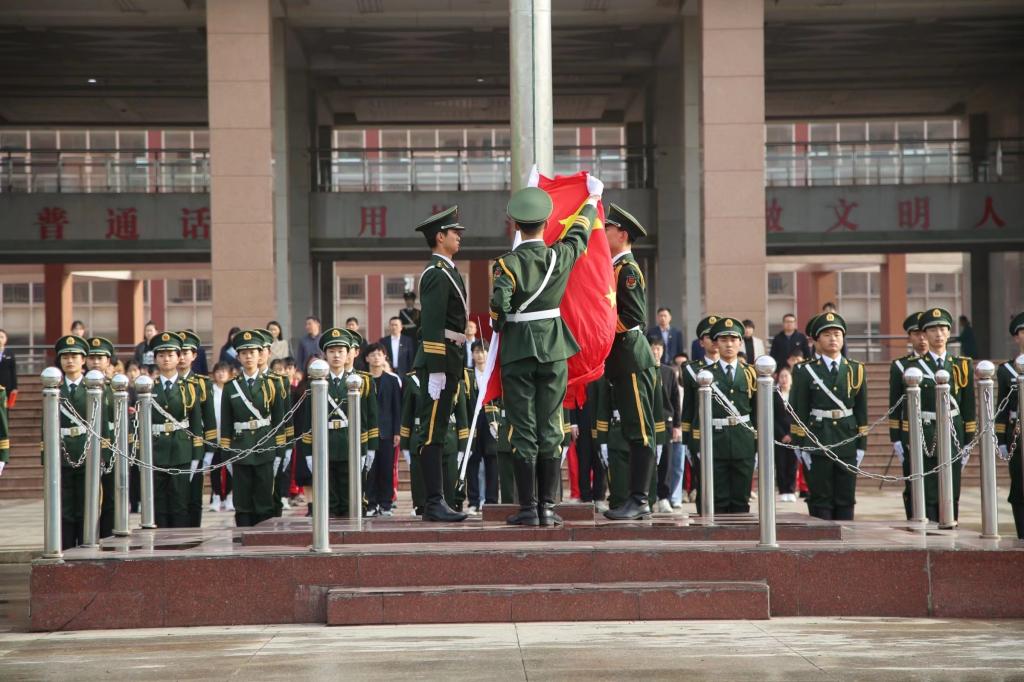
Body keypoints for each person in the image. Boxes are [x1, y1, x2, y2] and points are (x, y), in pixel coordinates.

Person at [491, 179, 601, 526]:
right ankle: (548, 508)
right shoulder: (559, 255)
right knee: (551, 424)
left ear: (516, 226)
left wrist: (499, 321)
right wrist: (592, 199)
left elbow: (498, 306)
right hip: (554, 348)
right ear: (546, 223)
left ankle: (528, 508)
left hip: (518, 351)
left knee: (523, 426)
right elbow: (579, 234)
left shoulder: (507, 264)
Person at [597, 201, 660, 522]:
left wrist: (601, 332)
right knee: (633, 430)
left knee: (640, 431)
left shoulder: (627, 270)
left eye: (608, 228)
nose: (603, 232)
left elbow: (634, 316)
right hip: (622, 359)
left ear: (622, 234)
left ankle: (640, 499)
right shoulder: (615, 267)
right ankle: (635, 498)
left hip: (632, 358)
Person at [412, 204, 471, 522]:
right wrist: (436, 370)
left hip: (449, 359)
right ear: (440, 236)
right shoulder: (436, 273)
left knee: (437, 428)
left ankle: (438, 499)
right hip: (440, 361)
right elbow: (432, 324)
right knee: (432, 430)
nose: (459, 236)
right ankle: (433, 501)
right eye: (454, 232)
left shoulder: (447, 270)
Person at [790, 313, 868, 521]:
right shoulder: (805, 370)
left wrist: (862, 444)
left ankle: (847, 537)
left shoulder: (856, 369)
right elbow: (799, 410)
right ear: (816, 341)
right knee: (820, 497)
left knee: (846, 496)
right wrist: (800, 444)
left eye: (837, 334)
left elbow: (861, 411)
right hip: (818, 438)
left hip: (847, 437)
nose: (833, 339)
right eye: (826, 335)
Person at [297, 328, 369, 518]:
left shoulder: (356, 381)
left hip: (348, 443)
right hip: (324, 444)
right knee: (328, 500)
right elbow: (308, 421)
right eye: (331, 351)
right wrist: (308, 453)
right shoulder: (316, 383)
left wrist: (364, 450)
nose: (336, 355)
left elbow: (363, 420)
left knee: (350, 498)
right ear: (325, 355)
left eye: (340, 351)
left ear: (348, 354)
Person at [913, 307, 975, 522]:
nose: (938, 334)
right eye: (932, 330)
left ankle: (951, 526)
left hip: (953, 429)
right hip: (926, 430)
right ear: (924, 334)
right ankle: (930, 528)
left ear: (949, 333)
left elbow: (968, 406)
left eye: (942, 329)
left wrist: (968, 441)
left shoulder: (961, 365)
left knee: (952, 486)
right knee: (929, 489)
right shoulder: (914, 367)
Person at [220, 329, 286, 526]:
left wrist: (280, 451)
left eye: (252, 352)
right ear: (238, 357)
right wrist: (226, 454)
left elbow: (279, 421)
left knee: (264, 500)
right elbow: (226, 423)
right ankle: (242, 536)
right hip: (240, 447)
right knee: (242, 502)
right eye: (244, 353)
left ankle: (263, 537)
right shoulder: (231, 387)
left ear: (260, 355)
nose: (248, 357)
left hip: (265, 446)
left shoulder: (272, 383)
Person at [698, 318, 758, 514]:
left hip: (744, 441)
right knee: (719, 498)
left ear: (740, 343)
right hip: (716, 441)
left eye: (733, 340)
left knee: (741, 498)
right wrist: (697, 445)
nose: (729, 344)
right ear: (716, 343)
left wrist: (759, 445)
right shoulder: (706, 374)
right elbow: (698, 414)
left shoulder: (751, 373)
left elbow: (757, 412)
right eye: (723, 340)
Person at [147, 332, 203, 528]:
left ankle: (180, 542)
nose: (166, 359)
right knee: (159, 504)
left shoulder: (189, 387)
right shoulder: (148, 388)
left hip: (181, 450)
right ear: (155, 359)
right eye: (161, 355)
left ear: (179, 357)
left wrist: (197, 455)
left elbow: (196, 424)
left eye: (171, 355)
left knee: (180, 503)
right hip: (156, 451)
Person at [49, 335, 91, 548]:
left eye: (74, 356)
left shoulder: (92, 387)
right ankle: (66, 547)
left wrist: (103, 455)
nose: (70, 361)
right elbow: (46, 425)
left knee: (86, 505)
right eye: (65, 357)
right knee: (65, 507)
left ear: (83, 360)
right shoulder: (53, 388)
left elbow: (101, 425)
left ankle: (86, 546)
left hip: (87, 452)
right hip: (62, 453)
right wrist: (46, 456)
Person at [680, 315, 721, 512]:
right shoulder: (691, 369)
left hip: (730, 434)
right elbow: (688, 407)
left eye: (718, 336)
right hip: (701, 433)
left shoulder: (740, 369)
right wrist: (686, 439)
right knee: (703, 482)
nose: (714, 340)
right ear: (701, 342)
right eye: (709, 337)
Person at [888, 312, 927, 519]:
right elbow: (895, 405)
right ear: (909, 337)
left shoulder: (948, 364)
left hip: (941, 431)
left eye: (925, 332)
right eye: (916, 333)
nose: (922, 338)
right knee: (912, 484)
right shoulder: (901, 366)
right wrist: (896, 438)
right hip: (910, 433)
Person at [177, 330, 217, 527]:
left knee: (193, 497)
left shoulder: (202, 383)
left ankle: (193, 534)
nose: (181, 357)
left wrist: (209, 450)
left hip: (196, 446)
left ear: (194, 356)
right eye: (179, 352)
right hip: (172, 446)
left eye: (186, 353)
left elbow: (209, 419)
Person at [364, 343, 402, 517]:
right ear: (367, 358)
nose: (376, 357)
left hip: (387, 432)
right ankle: (371, 504)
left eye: (379, 354)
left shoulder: (392, 380)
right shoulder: (362, 379)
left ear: (385, 357)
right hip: (367, 432)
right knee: (369, 470)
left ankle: (386, 504)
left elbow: (397, 407)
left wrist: (397, 432)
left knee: (386, 469)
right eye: (372, 354)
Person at [85, 337, 116, 538]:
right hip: (85, 448)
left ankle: (108, 536)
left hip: (113, 449)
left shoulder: (115, 388)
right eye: (92, 357)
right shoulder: (81, 387)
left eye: (100, 358)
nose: (96, 362)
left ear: (108, 361)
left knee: (111, 497)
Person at [996, 311, 1024, 538]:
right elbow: (1002, 408)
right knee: (1019, 484)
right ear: (1016, 337)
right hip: (1017, 434)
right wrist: (1001, 439)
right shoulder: (1006, 370)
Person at [464, 341, 499, 512]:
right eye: (476, 351)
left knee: (492, 461)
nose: (480, 355)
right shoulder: (467, 375)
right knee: (472, 461)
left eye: (483, 351)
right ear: (472, 354)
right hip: (472, 421)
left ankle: (492, 500)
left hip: (491, 421)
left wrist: (497, 420)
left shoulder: (493, 373)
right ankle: (473, 501)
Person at [649, 337, 681, 513]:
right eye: (653, 348)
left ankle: (663, 497)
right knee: (648, 460)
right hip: (648, 422)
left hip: (666, 423)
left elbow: (675, 399)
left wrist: (677, 425)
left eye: (659, 349)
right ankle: (648, 496)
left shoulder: (669, 372)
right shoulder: (642, 370)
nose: (656, 352)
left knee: (666, 462)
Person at [571, 379, 607, 511]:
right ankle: (585, 497)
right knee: (584, 462)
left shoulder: (601, 374)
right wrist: (573, 423)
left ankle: (599, 497)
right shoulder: (580, 375)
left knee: (600, 462)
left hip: (599, 424)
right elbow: (571, 397)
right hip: (583, 424)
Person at [209, 361, 234, 512]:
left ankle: (230, 497)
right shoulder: (210, 390)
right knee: (214, 468)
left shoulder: (232, 389)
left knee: (230, 468)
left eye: (224, 371)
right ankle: (217, 497)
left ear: (229, 374)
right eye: (218, 371)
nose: (221, 374)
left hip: (229, 436)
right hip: (214, 436)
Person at [773, 366, 796, 501]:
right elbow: (773, 417)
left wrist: (791, 434)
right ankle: (782, 490)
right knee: (780, 463)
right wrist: (782, 434)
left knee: (792, 463)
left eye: (786, 376)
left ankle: (791, 489)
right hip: (779, 435)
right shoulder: (775, 395)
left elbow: (799, 415)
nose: (784, 379)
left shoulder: (795, 394)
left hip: (793, 433)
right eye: (781, 376)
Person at [0, 329, 18, 408]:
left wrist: (14, 387)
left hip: (7, 386)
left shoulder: (10, 353)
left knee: (5, 409)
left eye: (2, 337)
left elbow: (13, 370)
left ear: (6, 339)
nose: (0, 339)